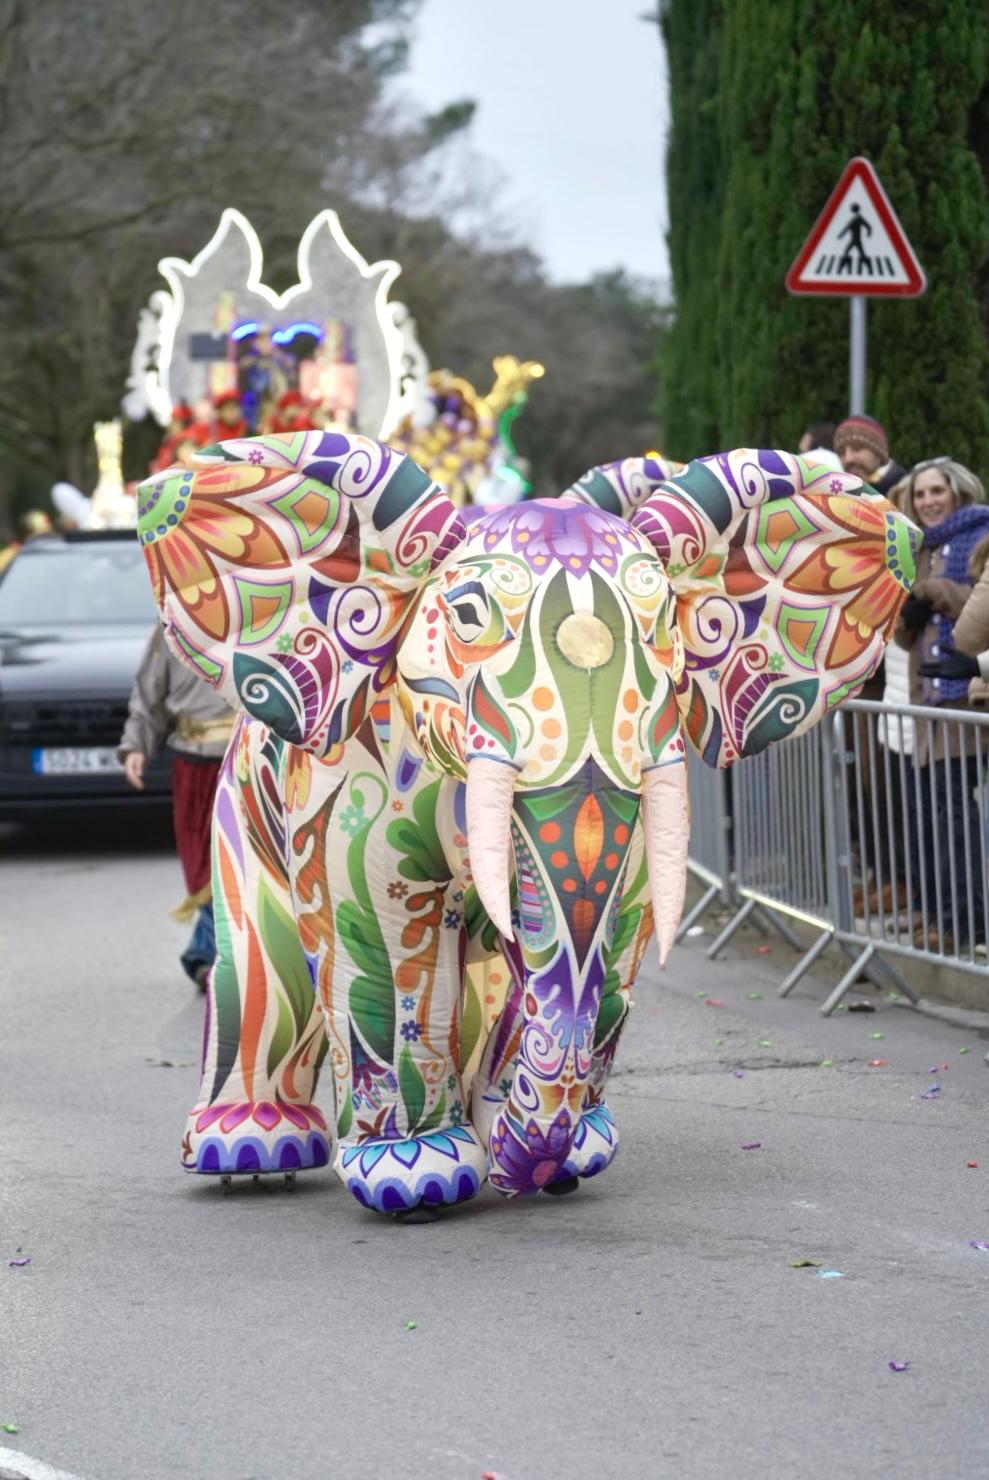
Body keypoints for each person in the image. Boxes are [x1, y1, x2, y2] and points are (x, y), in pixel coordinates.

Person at [894, 458, 989, 947]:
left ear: (958, 492)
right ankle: (943, 915)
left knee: (955, 812)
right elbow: (905, 636)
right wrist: (906, 614)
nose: (928, 501)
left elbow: (980, 603)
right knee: (934, 812)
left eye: (937, 491)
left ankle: (966, 922)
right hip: (926, 697)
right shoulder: (922, 548)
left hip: (964, 699)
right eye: (921, 494)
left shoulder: (980, 533)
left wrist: (934, 591)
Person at [118, 627, 236, 988]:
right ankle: (210, 954)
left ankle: (221, 957)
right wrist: (136, 744)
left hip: (249, 756)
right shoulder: (174, 618)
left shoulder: (261, 602)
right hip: (193, 761)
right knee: (205, 860)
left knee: (243, 860)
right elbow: (148, 693)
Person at [834, 414, 906, 497]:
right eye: (841, 453)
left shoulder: (906, 492)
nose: (848, 459)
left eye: (857, 448)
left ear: (878, 453)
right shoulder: (841, 493)